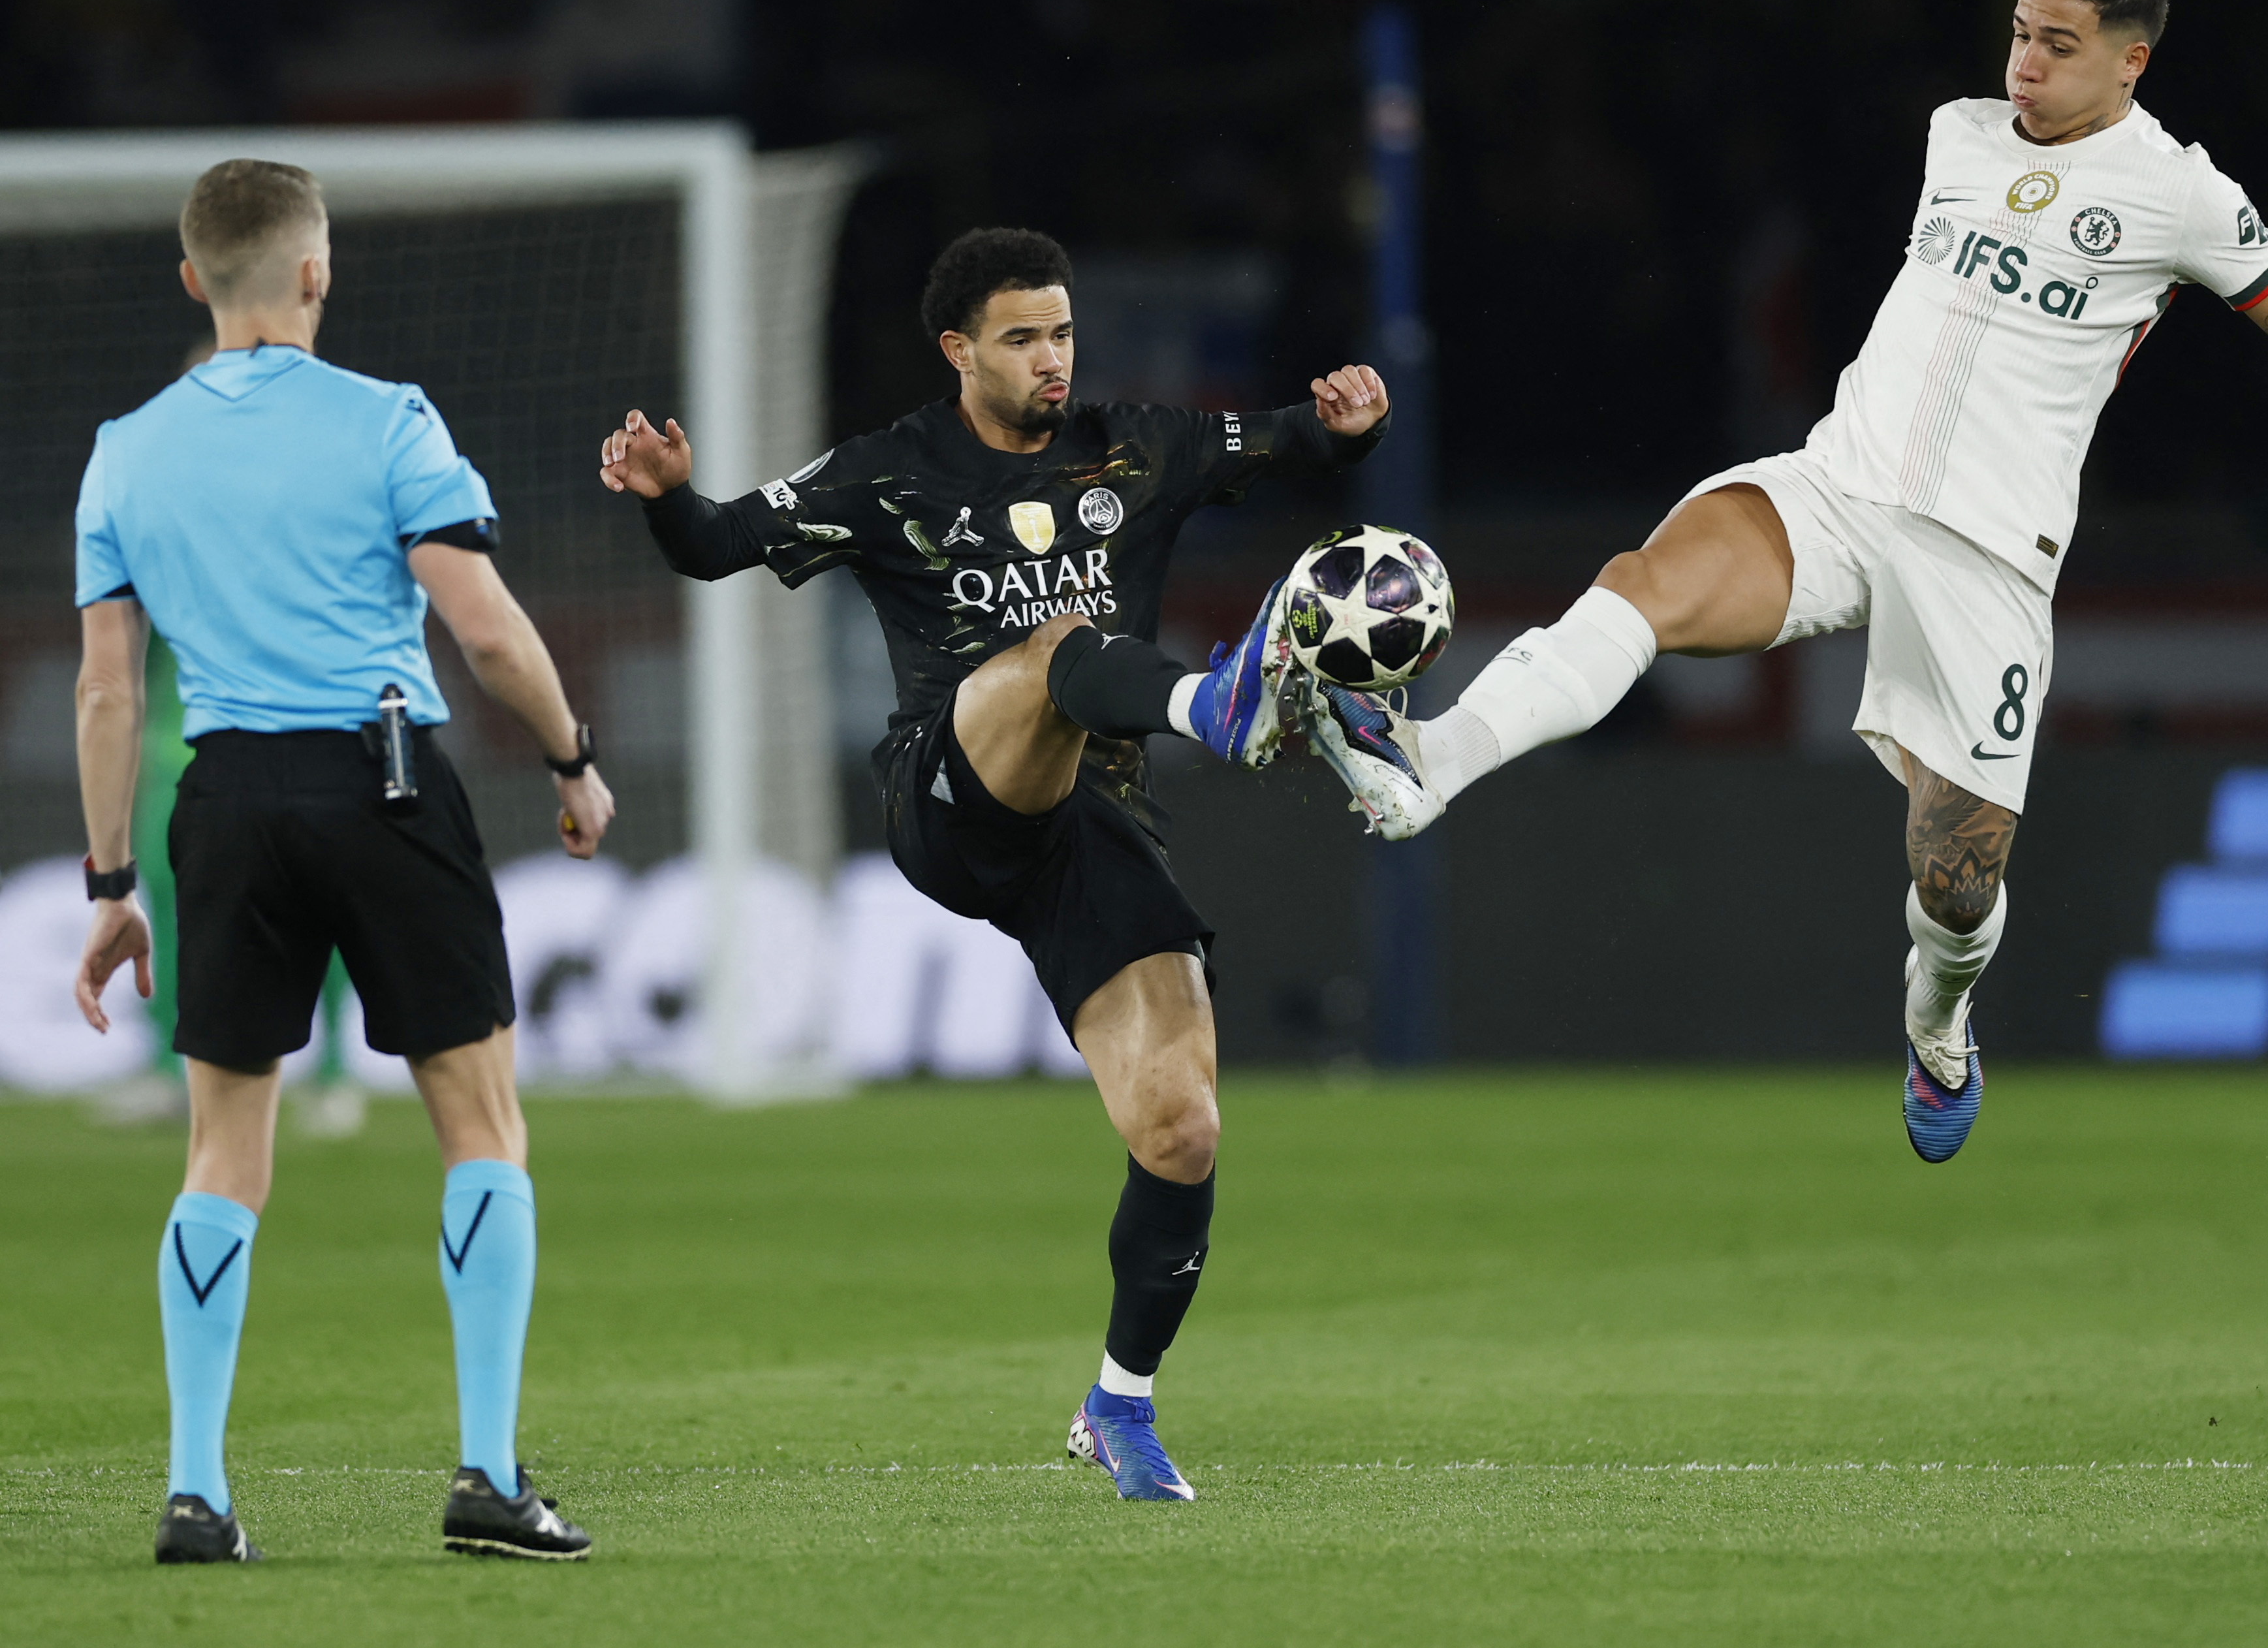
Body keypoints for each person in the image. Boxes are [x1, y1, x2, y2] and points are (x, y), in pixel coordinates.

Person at [1299, 0, 2268, 1162]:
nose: (2025, 62)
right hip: (1841, 483)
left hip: (1990, 554)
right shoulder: (1957, 135)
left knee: (1956, 881)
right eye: (2019, 31)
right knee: (1645, 585)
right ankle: (1425, 769)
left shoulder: (2183, 197)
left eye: (2059, 46)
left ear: (2131, 64)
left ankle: (1939, 1026)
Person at [599, 226, 1387, 1500]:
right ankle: (1217, 707)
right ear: (959, 349)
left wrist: (1346, 421)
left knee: (1181, 1128)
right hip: (951, 787)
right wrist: (663, 494)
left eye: (1062, 331)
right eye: (1022, 337)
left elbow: (1292, 440)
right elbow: (716, 542)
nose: (1050, 358)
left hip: (1096, 831)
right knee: (1059, 642)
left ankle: (1116, 1404)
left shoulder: (1137, 449)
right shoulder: (889, 471)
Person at [71, 159, 618, 1565]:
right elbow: (486, 629)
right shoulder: (392, 422)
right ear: (314, 272)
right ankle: (488, 1475)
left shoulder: (123, 447)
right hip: (380, 784)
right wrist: (567, 757)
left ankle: (197, 1491)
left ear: (193, 280)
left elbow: (109, 692)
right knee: (481, 1124)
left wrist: (111, 882)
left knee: (220, 1151)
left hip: (229, 799)